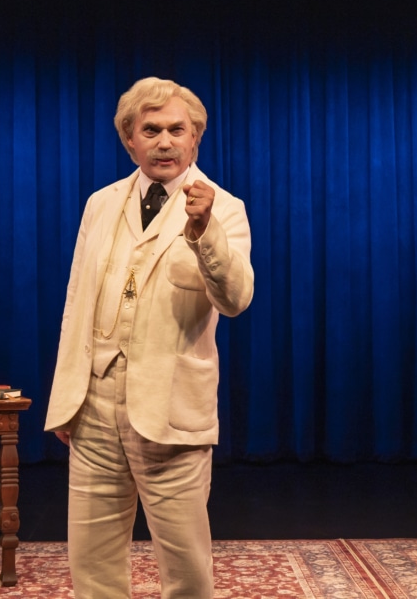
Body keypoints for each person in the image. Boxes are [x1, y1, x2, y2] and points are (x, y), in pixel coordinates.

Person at [45, 77, 254, 598]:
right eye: (152, 129)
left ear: (195, 139)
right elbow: (76, 304)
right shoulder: (100, 203)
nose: (165, 141)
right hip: (93, 405)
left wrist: (204, 231)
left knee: (186, 568)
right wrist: (66, 400)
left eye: (176, 130)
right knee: (92, 563)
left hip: (169, 407)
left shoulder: (223, 208)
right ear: (129, 140)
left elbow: (235, 300)